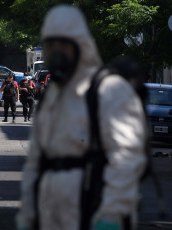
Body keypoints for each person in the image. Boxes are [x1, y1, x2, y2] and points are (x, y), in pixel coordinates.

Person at [16, 5, 146, 230]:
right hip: (51, 212)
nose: (57, 52)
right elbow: (35, 163)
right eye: (51, 45)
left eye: (63, 45)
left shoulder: (110, 90)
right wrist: (27, 214)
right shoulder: (52, 97)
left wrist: (111, 215)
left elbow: (126, 159)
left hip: (93, 207)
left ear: (81, 46)